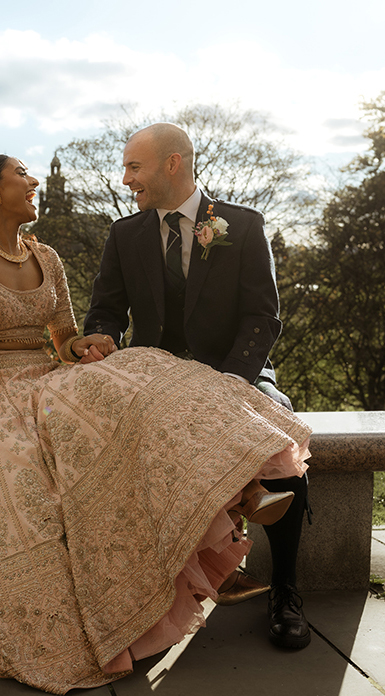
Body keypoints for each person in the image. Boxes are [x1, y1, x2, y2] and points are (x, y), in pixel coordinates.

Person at [0, 154, 310, 694]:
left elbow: (64, 338)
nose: (34, 181)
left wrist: (85, 344)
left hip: (52, 381)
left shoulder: (48, 257)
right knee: (51, 460)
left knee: (143, 370)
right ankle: (215, 523)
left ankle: (231, 503)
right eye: (21, 175)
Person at [83, 123, 311, 649]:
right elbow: (108, 309)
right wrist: (100, 338)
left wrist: (231, 381)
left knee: (279, 435)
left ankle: (287, 589)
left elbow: (263, 315)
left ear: (173, 163)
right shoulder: (125, 234)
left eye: (134, 167)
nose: (125, 180)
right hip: (156, 378)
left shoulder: (243, 226)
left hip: (237, 371)